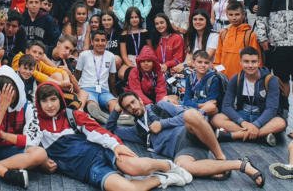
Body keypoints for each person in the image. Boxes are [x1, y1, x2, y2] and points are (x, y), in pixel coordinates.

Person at [35, 82, 191, 191]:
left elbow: (98, 130)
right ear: (38, 103)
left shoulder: (72, 115)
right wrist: (42, 162)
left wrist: (115, 145)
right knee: (129, 189)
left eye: (53, 99)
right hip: (89, 170)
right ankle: (163, 178)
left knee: (136, 168)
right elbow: (29, 149)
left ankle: (169, 166)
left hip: (101, 151)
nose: (50, 105)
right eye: (44, 101)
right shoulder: (34, 124)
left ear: (60, 99)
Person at [108, 92, 264, 187]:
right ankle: (240, 164)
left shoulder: (160, 106)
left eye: (133, 102)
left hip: (190, 133)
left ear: (140, 100)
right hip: (183, 150)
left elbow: (193, 114)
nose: (132, 107)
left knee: (190, 115)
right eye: (127, 107)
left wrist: (163, 123)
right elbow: (111, 129)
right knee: (182, 166)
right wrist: (116, 109)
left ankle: (220, 157)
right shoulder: (137, 130)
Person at [212, 47, 285, 146]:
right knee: (216, 119)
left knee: (280, 123)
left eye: (253, 62)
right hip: (243, 115)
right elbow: (226, 106)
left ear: (259, 63)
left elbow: (271, 109)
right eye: (246, 62)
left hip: (262, 115)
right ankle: (262, 136)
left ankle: (235, 135)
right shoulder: (236, 78)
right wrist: (242, 122)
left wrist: (256, 124)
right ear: (240, 63)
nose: (250, 65)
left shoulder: (271, 80)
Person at [76, 30, 119, 122]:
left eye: (103, 40)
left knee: (114, 103)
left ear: (106, 42)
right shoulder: (84, 55)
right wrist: (77, 90)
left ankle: (116, 120)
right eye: (97, 40)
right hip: (87, 89)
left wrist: (114, 94)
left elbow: (112, 77)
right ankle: (102, 117)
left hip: (104, 90)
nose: (100, 43)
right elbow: (77, 74)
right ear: (92, 42)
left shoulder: (111, 56)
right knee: (92, 104)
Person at [213, 2, 261, 80]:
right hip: (224, 78)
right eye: (231, 15)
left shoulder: (250, 35)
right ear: (226, 15)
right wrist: (220, 72)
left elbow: (257, 59)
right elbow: (218, 57)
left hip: (243, 78)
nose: (234, 18)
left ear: (243, 15)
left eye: (237, 14)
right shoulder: (223, 33)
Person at [180, 51, 223, 117]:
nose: (203, 65)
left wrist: (193, 103)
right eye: (199, 62)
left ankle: (185, 117)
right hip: (196, 107)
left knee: (211, 107)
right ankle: (186, 117)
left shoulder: (214, 79)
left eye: (206, 63)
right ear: (193, 63)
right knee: (166, 101)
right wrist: (199, 105)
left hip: (208, 111)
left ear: (210, 64)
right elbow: (186, 100)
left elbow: (211, 102)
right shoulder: (190, 77)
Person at [119, 7, 149, 80]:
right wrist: (131, 65)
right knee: (121, 74)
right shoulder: (124, 34)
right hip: (130, 59)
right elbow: (124, 55)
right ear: (128, 19)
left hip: (144, 59)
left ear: (140, 18)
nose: (134, 19)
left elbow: (150, 49)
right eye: (131, 17)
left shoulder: (145, 32)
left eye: (136, 17)